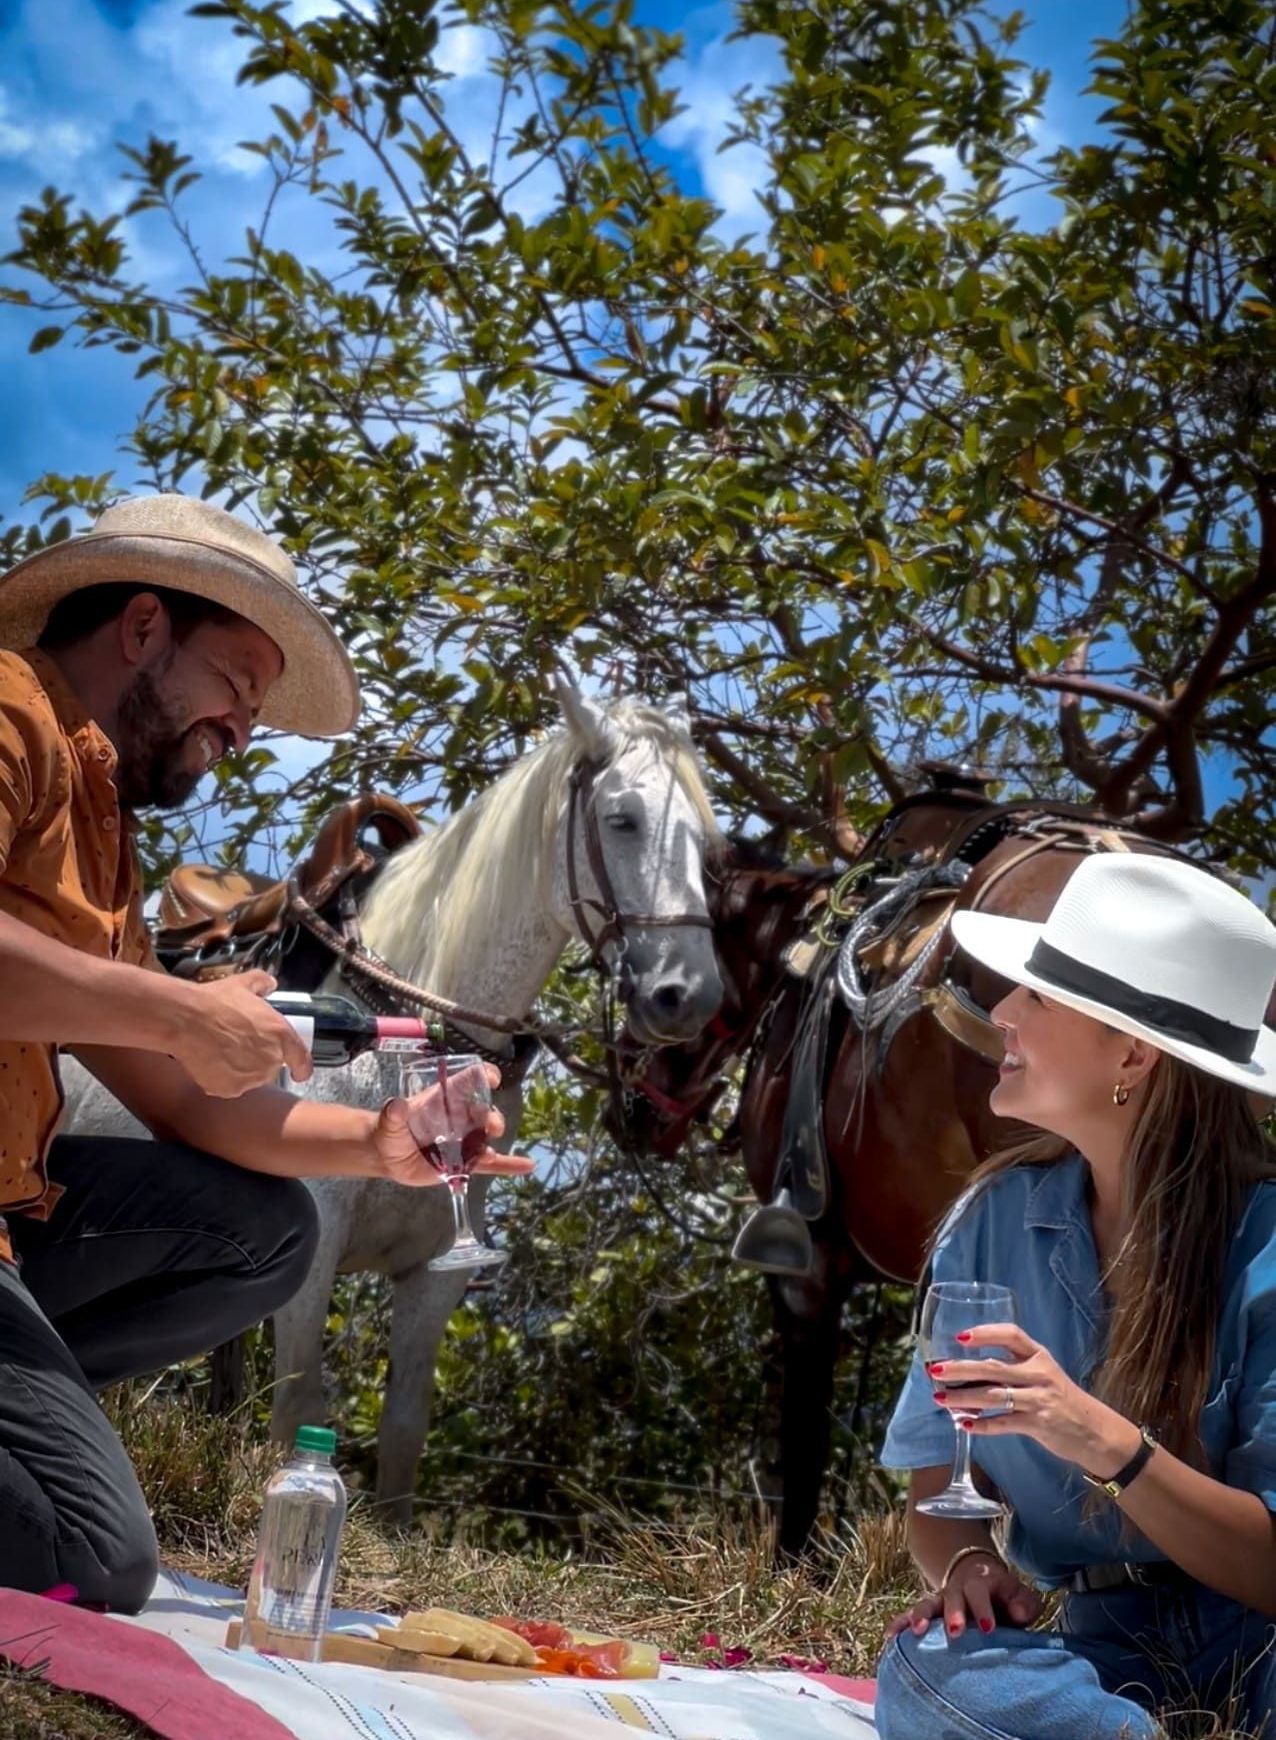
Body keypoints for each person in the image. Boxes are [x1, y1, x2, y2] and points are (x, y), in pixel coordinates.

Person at [0, 494, 532, 1613]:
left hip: (16, 1224)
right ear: (144, 628)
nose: (243, 730)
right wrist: (179, 1011)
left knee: (266, 1226)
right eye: (237, 684)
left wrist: (382, 1143)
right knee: (96, 1560)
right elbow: (156, 1030)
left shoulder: (105, 837)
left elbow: (189, 1107)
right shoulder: (6, 713)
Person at [875, 851, 1276, 1740]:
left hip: (1263, 1649)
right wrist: (967, 1565)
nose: (1003, 1011)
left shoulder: (1269, 1247)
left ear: (1132, 1051)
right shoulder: (989, 1222)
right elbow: (937, 1479)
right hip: (1095, 1654)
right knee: (926, 1667)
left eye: (1040, 998)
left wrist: (1094, 1435)